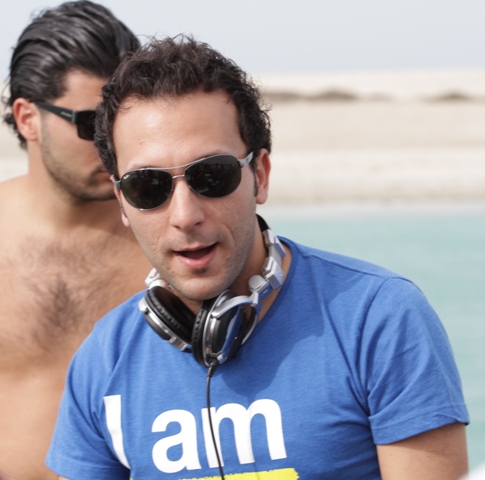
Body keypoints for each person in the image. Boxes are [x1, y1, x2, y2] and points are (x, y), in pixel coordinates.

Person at [46, 36, 469, 479]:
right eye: (148, 186)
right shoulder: (103, 360)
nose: (185, 216)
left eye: (212, 175)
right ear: (121, 201)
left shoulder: (379, 318)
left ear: (260, 176)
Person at [0, 2, 152, 479]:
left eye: (121, 118)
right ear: (27, 118)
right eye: (90, 124)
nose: (110, 141)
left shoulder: (177, 243)